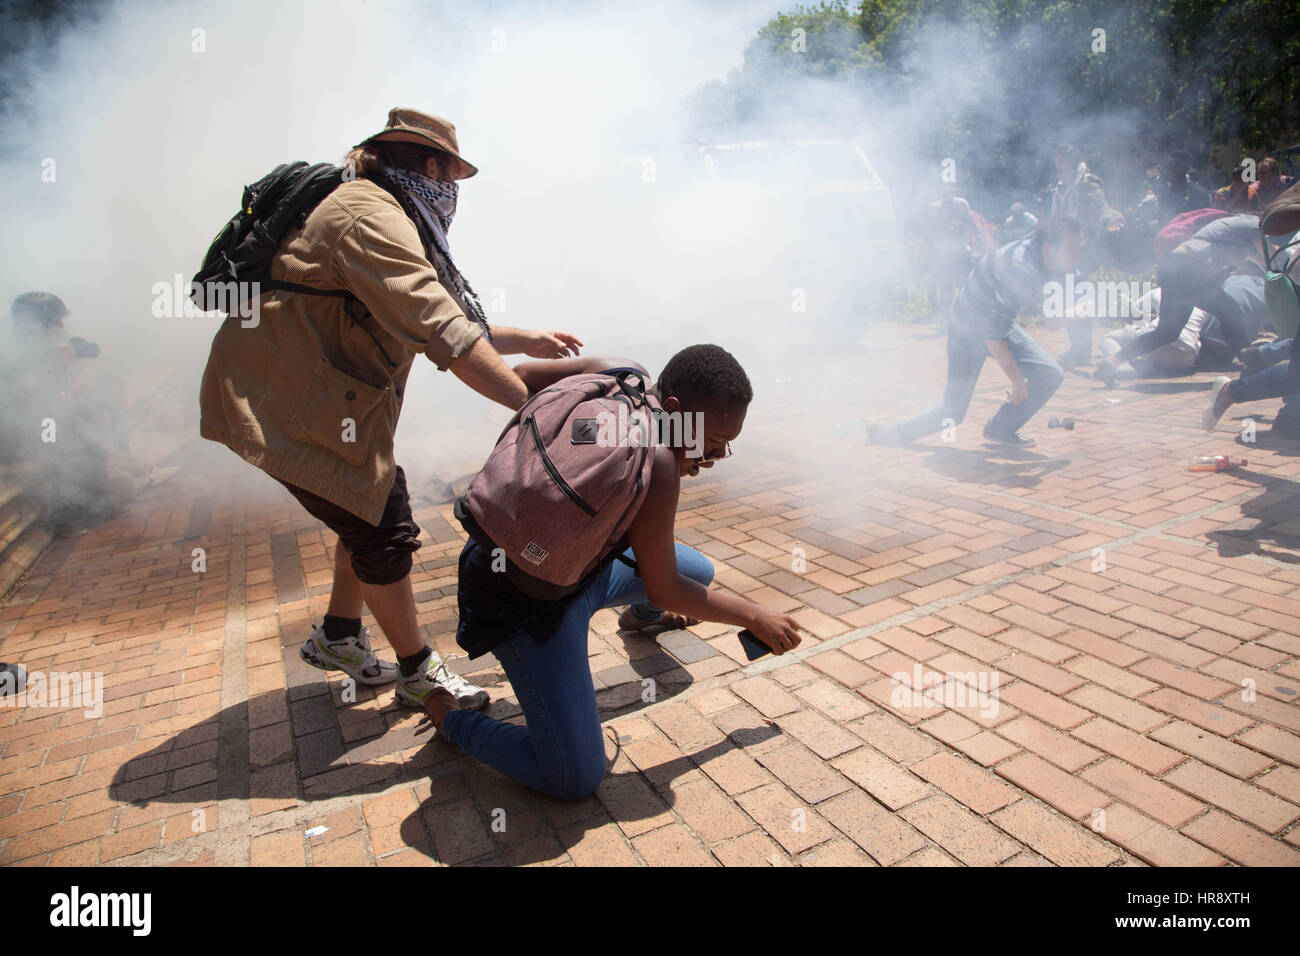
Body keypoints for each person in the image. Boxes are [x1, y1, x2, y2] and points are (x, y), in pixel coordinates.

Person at [199, 108, 585, 710]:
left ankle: (339, 636)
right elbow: (440, 328)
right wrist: (532, 410)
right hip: (284, 406)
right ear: (430, 166)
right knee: (383, 527)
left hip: (308, 400)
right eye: (451, 176)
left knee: (362, 499)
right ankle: (418, 671)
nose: (452, 192)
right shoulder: (368, 216)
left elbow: (439, 313)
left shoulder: (378, 207)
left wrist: (526, 339)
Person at [422, 346, 804, 800]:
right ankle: (450, 718)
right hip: (530, 605)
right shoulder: (658, 463)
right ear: (677, 411)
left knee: (697, 571)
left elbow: (521, 373)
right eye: (717, 438)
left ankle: (638, 618)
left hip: (516, 556)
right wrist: (753, 616)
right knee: (572, 777)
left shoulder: (616, 374)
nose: (721, 453)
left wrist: (548, 456)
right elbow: (664, 587)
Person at [867, 218, 1083, 448]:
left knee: (1051, 373)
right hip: (966, 332)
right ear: (1049, 249)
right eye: (1072, 249)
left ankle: (1001, 428)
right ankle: (889, 434)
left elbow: (1070, 287)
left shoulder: (1041, 250)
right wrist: (1017, 380)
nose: (1078, 255)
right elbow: (993, 336)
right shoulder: (1021, 267)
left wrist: (1066, 313)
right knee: (951, 412)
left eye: (1080, 248)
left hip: (995, 322)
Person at [1095, 214, 1263, 386]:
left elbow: (1260, 259)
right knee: (1230, 311)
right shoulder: (1255, 222)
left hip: (1175, 266)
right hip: (1187, 268)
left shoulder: (1240, 232)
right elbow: (1268, 254)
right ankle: (1251, 363)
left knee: (1167, 332)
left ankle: (1111, 362)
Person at [1041, 145, 1124, 365]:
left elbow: (1101, 206)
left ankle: (1081, 350)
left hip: (1083, 248)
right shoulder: (1061, 187)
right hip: (1064, 248)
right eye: (1056, 162)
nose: (1058, 167)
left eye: (1062, 162)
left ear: (1073, 161)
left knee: (1077, 295)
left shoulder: (1087, 182)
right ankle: (1078, 348)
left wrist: (1110, 218)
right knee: (1068, 295)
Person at [1155, 149, 1214, 228]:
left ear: (1186, 169)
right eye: (1168, 167)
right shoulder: (1164, 194)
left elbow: (1205, 221)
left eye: (1174, 167)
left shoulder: (1199, 194)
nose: (1168, 171)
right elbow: (1161, 221)